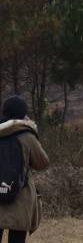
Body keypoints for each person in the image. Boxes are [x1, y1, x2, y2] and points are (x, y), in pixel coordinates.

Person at [0, 96, 50, 243]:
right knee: (17, 239)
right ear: (23, 113)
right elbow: (43, 163)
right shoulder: (26, 135)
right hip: (20, 196)